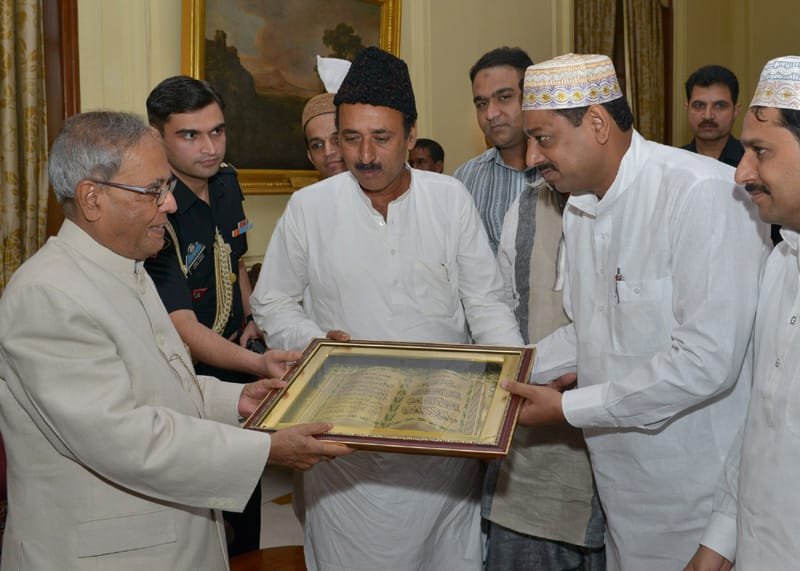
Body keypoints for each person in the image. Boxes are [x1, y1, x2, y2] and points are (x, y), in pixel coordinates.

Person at [0, 111, 350, 570]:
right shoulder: (46, 296)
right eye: (153, 191)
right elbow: (126, 440)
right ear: (91, 198)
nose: (169, 205)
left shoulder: (125, 267)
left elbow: (162, 384)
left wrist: (240, 399)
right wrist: (267, 449)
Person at [251, 46, 523, 570]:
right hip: (345, 449)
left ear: (411, 135)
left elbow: (485, 302)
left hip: (441, 447)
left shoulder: (449, 200)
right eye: (351, 138)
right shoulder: (312, 207)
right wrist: (319, 346)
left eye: (381, 138)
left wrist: (508, 389)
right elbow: (274, 299)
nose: (365, 155)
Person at [502, 53, 770, 570]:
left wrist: (567, 410)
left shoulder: (703, 195)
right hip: (622, 489)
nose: (532, 155)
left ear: (597, 124)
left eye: (544, 137)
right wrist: (502, 372)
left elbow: (706, 362)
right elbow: (591, 333)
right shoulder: (580, 204)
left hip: (702, 497)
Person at [143, 75, 270, 555]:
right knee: (197, 512)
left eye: (216, 131)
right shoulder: (157, 209)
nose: (209, 147)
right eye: (190, 135)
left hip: (236, 359)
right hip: (184, 373)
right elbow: (183, 328)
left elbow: (234, 257)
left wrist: (249, 316)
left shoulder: (228, 181)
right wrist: (259, 364)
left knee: (247, 499)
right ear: (158, 137)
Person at [686, 55, 800, 571]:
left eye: (760, 151)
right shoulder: (781, 263)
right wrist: (720, 540)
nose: (741, 172)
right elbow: (761, 423)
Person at [454, 47, 536, 253]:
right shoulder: (465, 180)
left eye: (504, 97)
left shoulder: (567, 172)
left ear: (531, 97)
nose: (490, 114)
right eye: (481, 103)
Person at [682, 65, 743, 167]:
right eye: (699, 105)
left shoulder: (754, 163)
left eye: (719, 106)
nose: (707, 116)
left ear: (735, 111)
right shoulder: (673, 162)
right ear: (687, 109)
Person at [301, 57, 352, 180]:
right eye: (317, 145)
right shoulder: (304, 199)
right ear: (310, 156)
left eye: (337, 140)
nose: (328, 152)